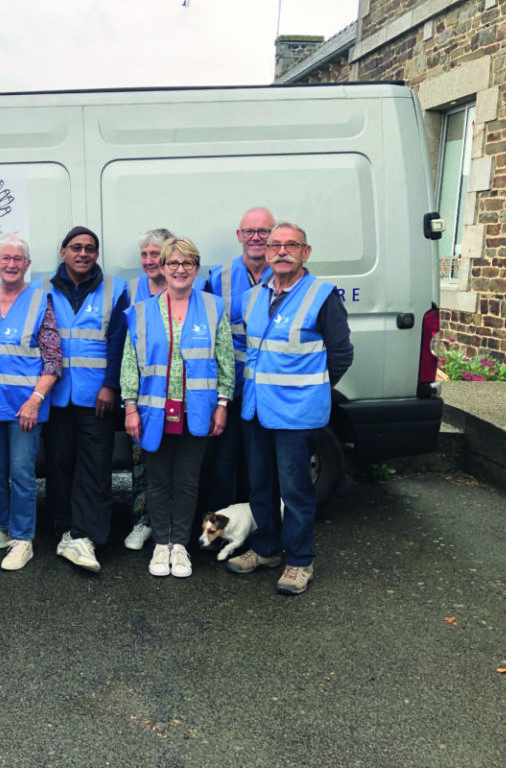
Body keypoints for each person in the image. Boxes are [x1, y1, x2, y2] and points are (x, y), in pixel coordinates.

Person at [227, 222, 353, 595]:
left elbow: (341, 353)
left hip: (296, 413)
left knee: (295, 490)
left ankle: (299, 561)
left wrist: (315, 390)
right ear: (266, 253)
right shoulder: (253, 297)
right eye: (276, 245)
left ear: (305, 252)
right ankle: (266, 549)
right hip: (256, 408)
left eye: (291, 245)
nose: (282, 251)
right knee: (260, 485)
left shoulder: (322, 295)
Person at [122, 237, 235, 579]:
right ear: (163, 267)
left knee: (187, 481)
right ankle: (161, 544)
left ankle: (180, 546)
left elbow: (225, 359)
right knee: (158, 481)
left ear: (196, 269)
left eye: (187, 263)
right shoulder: (142, 312)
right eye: (173, 263)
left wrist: (222, 404)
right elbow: (130, 364)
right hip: (153, 411)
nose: (180, 269)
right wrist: (130, 408)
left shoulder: (213, 307)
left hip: (196, 410)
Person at [0, 235, 61, 571]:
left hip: (25, 406)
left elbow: (53, 360)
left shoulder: (39, 302)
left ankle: (23, 538)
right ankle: (1, 527)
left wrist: (36, 399)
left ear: (27, 264)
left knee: (22, 473)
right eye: (5, 258)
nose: (11, 264)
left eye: (17, 259)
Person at [43, 226, 129, 573]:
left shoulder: (116, 289)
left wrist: (111, 385)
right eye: (76, 247)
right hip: (57, 395)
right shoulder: (42, 289)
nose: (83, 253)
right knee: (59, 464)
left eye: (90, 248)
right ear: (63, 252)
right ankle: (64, 528)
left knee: (95, 467)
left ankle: (87, 534)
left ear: (96, 254)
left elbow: (120, 342)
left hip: (97, 397)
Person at [202, 207, 275, 514]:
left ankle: (262, 525)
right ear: (239, 235)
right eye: (249, 231)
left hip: (269, 385)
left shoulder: (286, 273)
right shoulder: (218, 277)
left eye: (263, 231)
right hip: (229, 384)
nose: (255, 238)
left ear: (273, 235)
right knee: (223, 458)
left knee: (262, 460)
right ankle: (219, 525)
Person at [123, 227, 174, 551]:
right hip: (144, 396)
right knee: (142, 462)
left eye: (155, 253)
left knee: (180, 465)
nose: (149, 260)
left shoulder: (190, 288)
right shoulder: (132, 290)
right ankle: (143, 522)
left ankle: (176, 526)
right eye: (144, 254)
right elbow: (124, 345)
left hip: (182, 394)